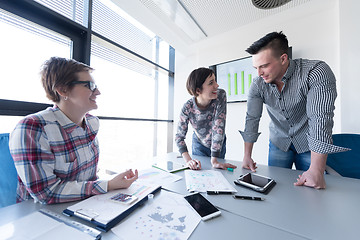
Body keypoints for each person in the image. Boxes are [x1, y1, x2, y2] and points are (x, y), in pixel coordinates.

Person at [9, 57, 138, 204]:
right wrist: (107, 186)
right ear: (63, 90)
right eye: (90, 85)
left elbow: (88, 179)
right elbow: (46, 194)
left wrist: (110, 185)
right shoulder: (33, 128)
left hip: (84, 204)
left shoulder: (92, 123)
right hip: (40, 215)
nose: (98, 92)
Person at [239, 31, 348, 189]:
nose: (259, 73)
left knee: (311, 190)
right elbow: (252, 119)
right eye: (256, 67)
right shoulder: (258, 84)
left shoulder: (315, 72)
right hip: (278, 141)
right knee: (276, 188)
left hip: (308, 143)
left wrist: (316, 171)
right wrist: (247, 156)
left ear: (283, 58)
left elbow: (320, 119)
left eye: (264, 66)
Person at [175, 67, 237, 170]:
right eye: (211, 83)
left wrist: (214, 160)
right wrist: (188, 160)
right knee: (200, 173)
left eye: (215, 81)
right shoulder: (188, 107)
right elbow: (179, 137)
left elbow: (218, 127)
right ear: (198, 90)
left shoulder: (220, 95)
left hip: (218, 143)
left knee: (217, 173)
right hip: (199, 144)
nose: (216, 85)